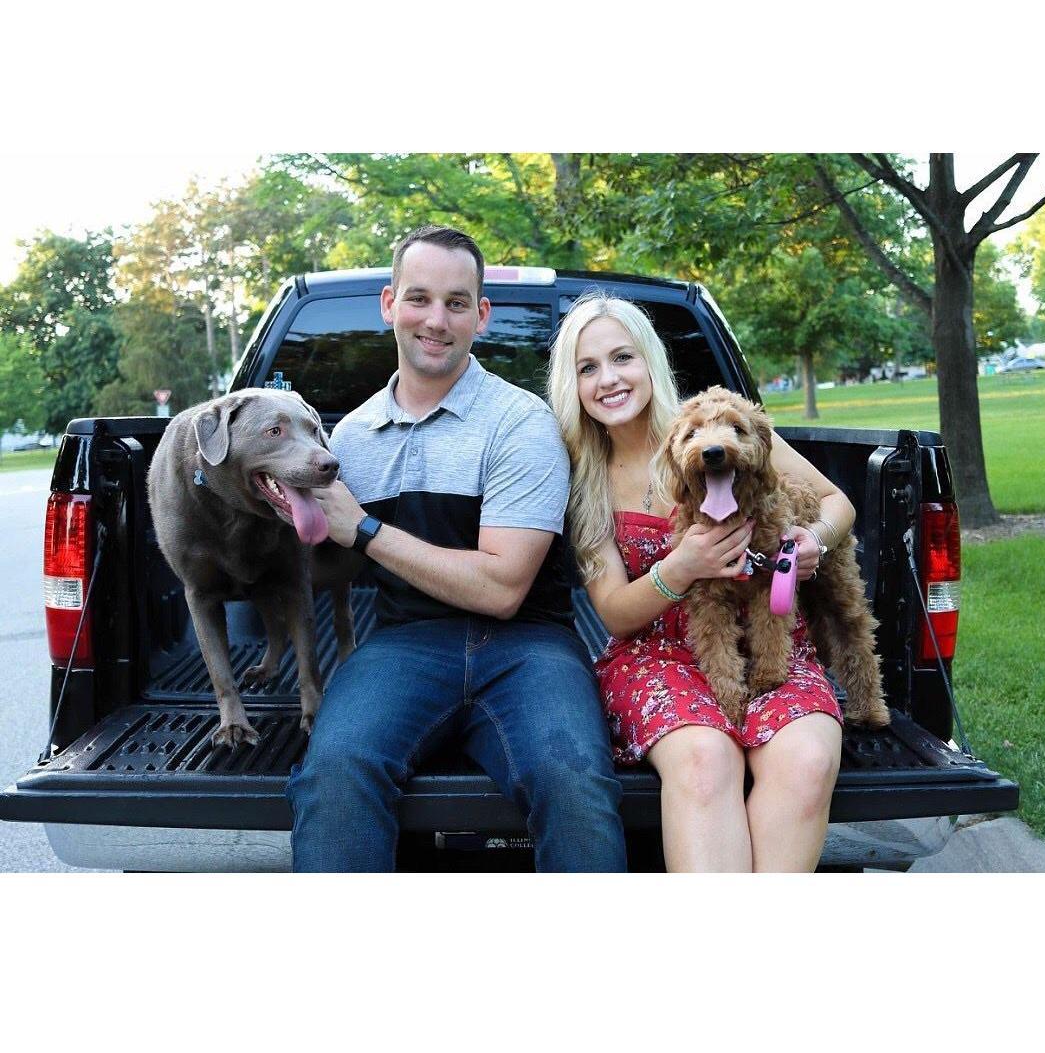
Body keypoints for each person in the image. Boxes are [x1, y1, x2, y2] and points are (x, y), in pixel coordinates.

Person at [286, 226, 626, 872]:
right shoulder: (350, 437)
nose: (435, 320)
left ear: (481, 315)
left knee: (574, 782)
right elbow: (326, 565)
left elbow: (502, 589)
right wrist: (284, 518)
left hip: (528, 648)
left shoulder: (518, 422)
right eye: (418, 298)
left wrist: (365, 528)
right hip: (403, 643)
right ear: (389, 304)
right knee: (333, 770)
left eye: (456, 302)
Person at [547, 293, 852, 873]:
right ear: (573, 384)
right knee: (706, 763)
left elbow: (837, 502)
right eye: (588, 368)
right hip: (656, 656)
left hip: (768, 643)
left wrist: (814, 540)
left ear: (651, 362)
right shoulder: (582, 477)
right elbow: (612, 611)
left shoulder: (719, 427)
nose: (609, 379)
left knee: (808, 760)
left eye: (623, 357)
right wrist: (679, 568)